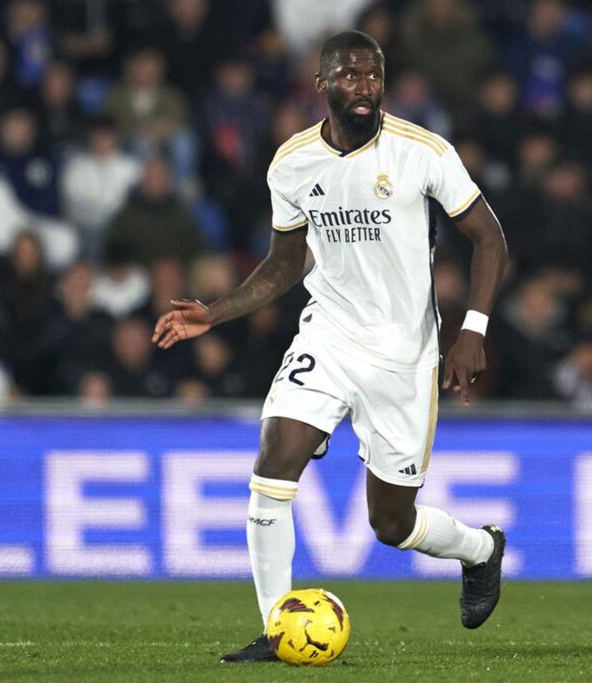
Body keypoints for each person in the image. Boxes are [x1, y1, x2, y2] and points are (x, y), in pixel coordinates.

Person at [153, 31, 509, 662]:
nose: (364, 87)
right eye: (349, 76)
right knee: (274, 458)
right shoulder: (291, 164)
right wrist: (216, 312)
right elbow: (284, 264)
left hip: (405, 353)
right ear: (321, 84)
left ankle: (481, 550)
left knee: (391, 523)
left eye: (373, 76)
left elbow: (489, 237)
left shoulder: (422, 151)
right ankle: (275, 627)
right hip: (331, 332)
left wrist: (472, 328)